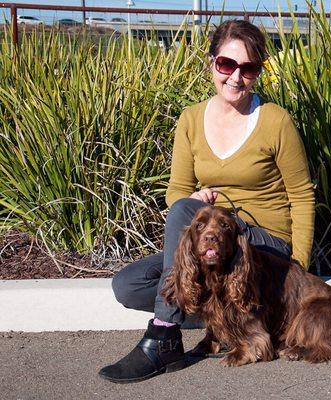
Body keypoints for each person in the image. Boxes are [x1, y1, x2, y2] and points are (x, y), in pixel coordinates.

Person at [98, 19, 315, 383]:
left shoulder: (275, 121)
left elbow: (302, 196)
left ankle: (164, 335)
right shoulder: (191, 119)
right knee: (129, 284)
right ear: (211, 62)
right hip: (216, 240)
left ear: (258, 72)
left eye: (248, 69)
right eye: (226, 65)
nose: (235, 77)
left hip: (263, 242)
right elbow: (176, 191)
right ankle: (229, 316)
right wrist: (191, 198)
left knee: (185, 212)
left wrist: (300, 269)